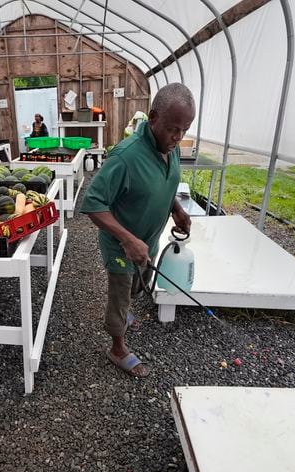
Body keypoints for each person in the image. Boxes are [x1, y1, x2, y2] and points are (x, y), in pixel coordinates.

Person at [80, 83, 195, 378]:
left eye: (185, 129)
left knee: (137, 284)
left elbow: (165, 184)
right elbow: (93, 203)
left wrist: (176, 210)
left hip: (149, 241)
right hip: (122, 245)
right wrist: (128, 239)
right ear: (153, 117)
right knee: (120, 292)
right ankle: (117, 347)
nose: (178, 137)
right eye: (173, 128)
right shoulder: (125, 157)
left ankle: (124, 315)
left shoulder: (171, 147)